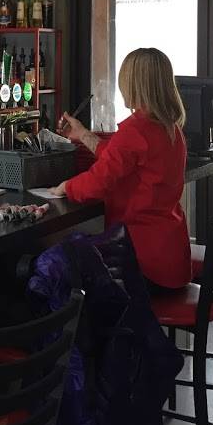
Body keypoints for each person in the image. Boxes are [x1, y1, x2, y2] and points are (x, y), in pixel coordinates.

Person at [50, 48, 190, 290]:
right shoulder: (171, 129)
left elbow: (97, 182)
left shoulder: (136, 130)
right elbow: (119, 157)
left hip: (142, 263)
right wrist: (82, 134)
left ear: (133, 84)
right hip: (172, 257)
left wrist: (66, 187)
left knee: (58, 267)